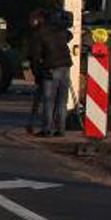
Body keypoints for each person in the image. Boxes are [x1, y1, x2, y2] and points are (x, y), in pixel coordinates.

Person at [35, 9, 74, 137]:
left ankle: (47, 129)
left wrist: (38, 70)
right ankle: (61, 129)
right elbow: (70, 36)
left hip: (51, 68)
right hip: (65, 66)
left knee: (49, 100)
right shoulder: (62, 31)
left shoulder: (41, 34)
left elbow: (37, 55)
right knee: (62, 101)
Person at [24, 10, 48, 135]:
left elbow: (35, 55)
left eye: (31, 19)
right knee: (49, 99)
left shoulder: (38, 34)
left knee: (43, 99)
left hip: (43, 70)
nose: (29, 22)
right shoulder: (48, 32)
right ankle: (35, 123)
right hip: (47, 68)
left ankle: (35, 124)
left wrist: (36, 70)